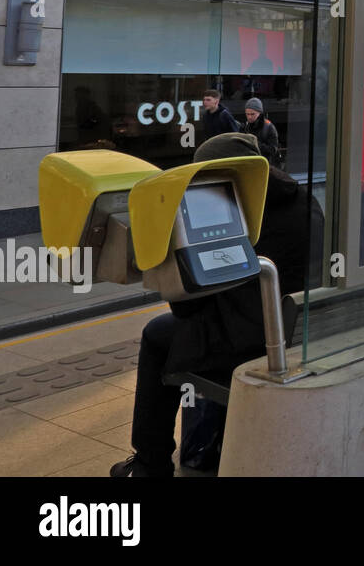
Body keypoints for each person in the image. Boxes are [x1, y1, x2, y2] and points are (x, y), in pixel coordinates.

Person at [111, 131, 320, 477]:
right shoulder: (303, 199)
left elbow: (189, 305)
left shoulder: (232, 208)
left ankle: (151, 462)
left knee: (156, 334)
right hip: (299, 332)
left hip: (258, 342)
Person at [242, 97, 281, 166]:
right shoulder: (245, 126)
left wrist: (255, 143)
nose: (249, 117)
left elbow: (273, 150)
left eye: (252, 114)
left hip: (265, 165)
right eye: (247, 114)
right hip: (249, 164)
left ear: (259, 113)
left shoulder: (269, 127)